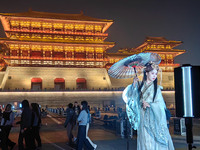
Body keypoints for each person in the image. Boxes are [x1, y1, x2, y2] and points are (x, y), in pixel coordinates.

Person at [123, 62, 174, 150]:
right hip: (142, 119)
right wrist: (134, 85)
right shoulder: (139, 86)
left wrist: (150, 105)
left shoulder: (157, 89)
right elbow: (131, 99)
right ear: (146, 73)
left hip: (153, 120)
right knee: (144, 141)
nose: (154, 76)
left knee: (153, 143)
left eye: (156, 74)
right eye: (152, 73)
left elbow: (161, 105)